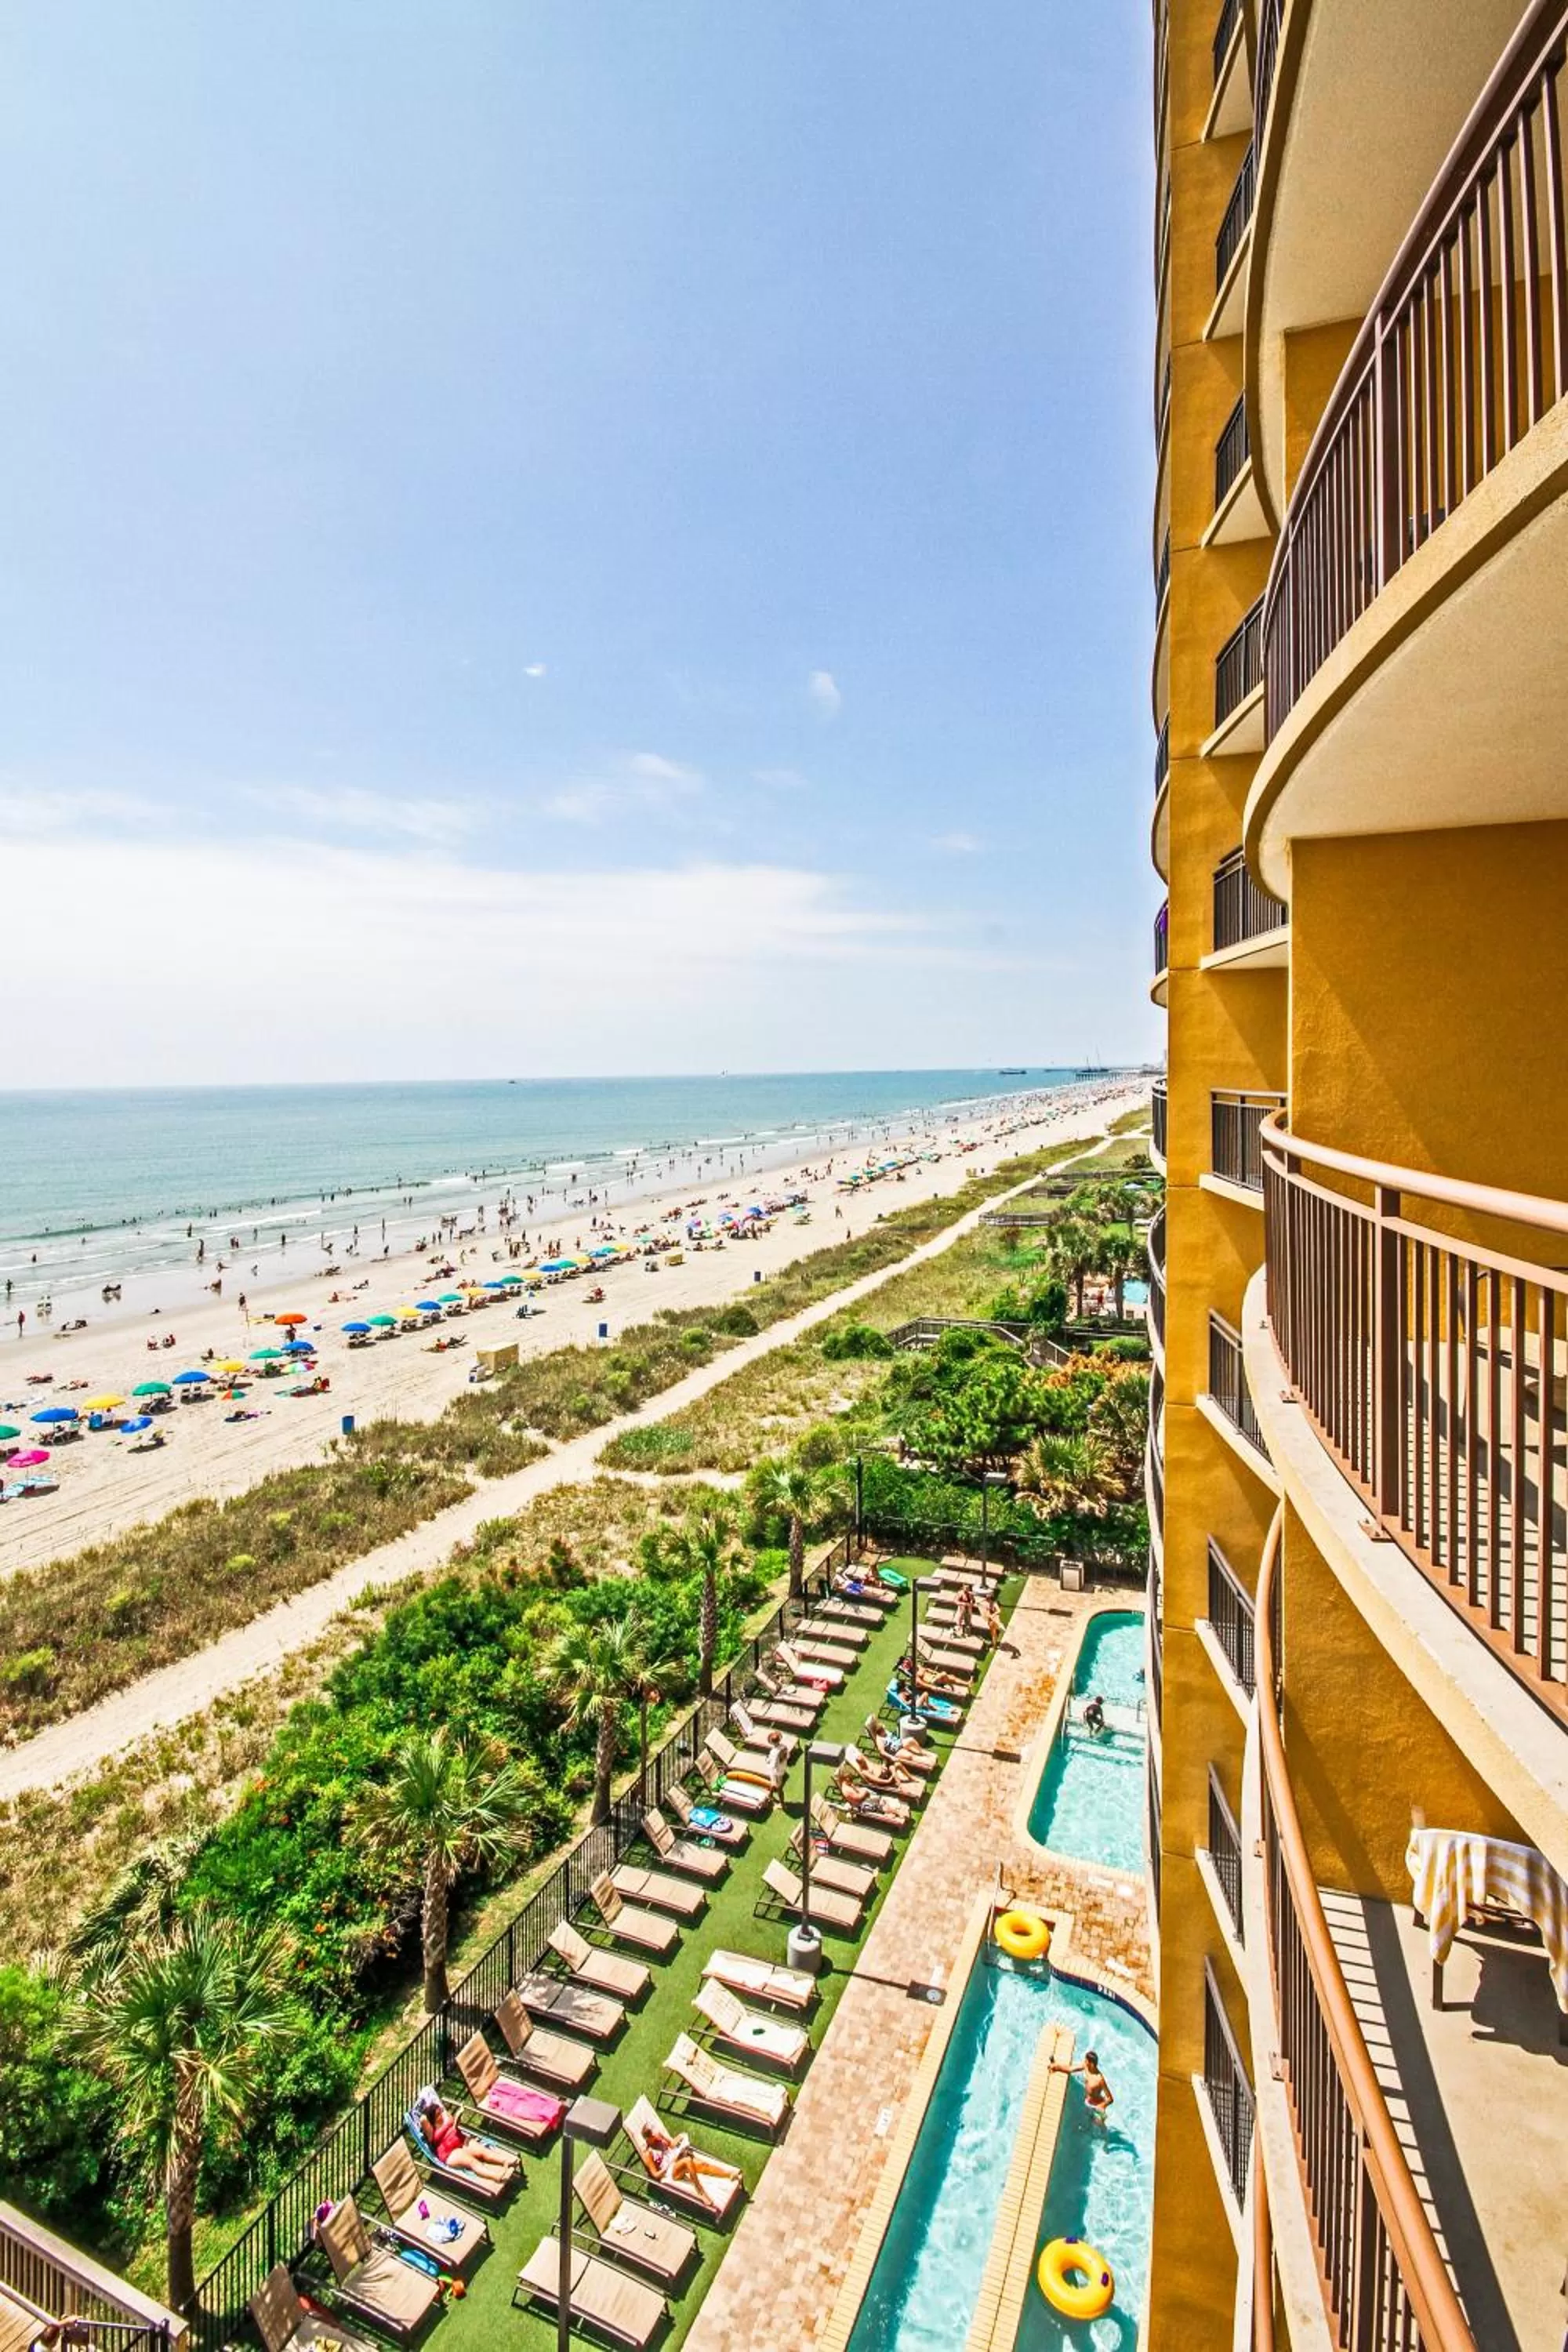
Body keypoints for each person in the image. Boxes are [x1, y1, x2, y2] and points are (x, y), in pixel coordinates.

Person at [635, 2114, 742, 2213]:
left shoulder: (659, 2138)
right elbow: (655, 2175)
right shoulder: (648, 2154)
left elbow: (671, 2145)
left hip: (676, 2160)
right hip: (669, 2172)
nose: (657, 2134)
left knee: (703, 2165)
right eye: (654, 2134)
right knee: (687, 2161)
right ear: (648, 2138)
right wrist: (669, 2164)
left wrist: (680, 2137)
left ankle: (729, 2174)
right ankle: (700, 2191)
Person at [416, 2092, 516, 2189]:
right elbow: (423, 2120)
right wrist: (426, 2109)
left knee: (483, 2152)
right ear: (432, 2118)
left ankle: (505, 2161)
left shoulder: (445, 2114)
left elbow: (455, 2126)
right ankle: (496, 2177)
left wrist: (458, 2117)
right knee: (472, 2162)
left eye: (440, 2112)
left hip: (461, 2140)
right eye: (437, 2115)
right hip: (449, 2152)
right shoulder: (431, 2128)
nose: (440, 2115)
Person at [1051, 2049, 1113, 2121]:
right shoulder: (1086, 2067)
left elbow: (1110, 2099)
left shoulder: (1100, 2079)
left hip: (1097, 2106)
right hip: (1088, 2102)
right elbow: (1071, 2069)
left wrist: (1101, 2106)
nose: (1084, 2062)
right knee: (1088, 2120)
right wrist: (1057, 2067)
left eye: (1086, 2061)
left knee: (1099, 2127)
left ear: (1092, 2064)